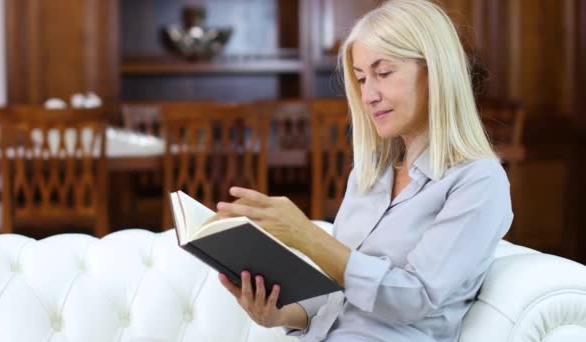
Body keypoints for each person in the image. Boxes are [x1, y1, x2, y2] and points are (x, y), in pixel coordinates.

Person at [216, 0, 513, 341]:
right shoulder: (370, 174)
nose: (368, 95)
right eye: (360, 79)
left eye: (383, 73)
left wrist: (306, 236)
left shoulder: (478, 182)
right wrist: (281, 314)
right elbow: (338, 293)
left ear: (435, 72)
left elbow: (414, 299)